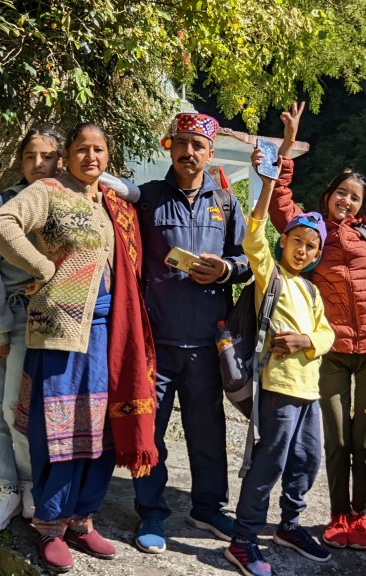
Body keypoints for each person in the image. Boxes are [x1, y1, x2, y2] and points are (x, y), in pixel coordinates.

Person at [0, 123, 158, 573]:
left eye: (99, 150)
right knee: (59, 432)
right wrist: (41, 265)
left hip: (110, 331)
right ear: (67, 156)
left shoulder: (114, 205)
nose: (91, 157)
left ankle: (82, 518)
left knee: (100, 431)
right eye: (82, 149)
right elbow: (0, 225)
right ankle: (49, 524)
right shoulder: (48, 191)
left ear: (108, 155)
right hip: (60, 328)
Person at [268, 100, 366, 549]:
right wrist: (286, 147)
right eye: (342, 193)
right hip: (332, 348)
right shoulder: (310, 232)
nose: (347, 201)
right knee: (337, 439)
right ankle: (339, 515)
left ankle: (361, 517)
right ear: (328, 195)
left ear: (362, 205)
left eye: (355, 197)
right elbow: (280, 203)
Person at [131, 112, 253, 554]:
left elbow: (247, 262)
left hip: (206, 343)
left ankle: (207, 506)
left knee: (207, 431)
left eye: (197, 145)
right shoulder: (146, 200)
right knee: (151, 433)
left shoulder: (227, 201)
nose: (188, 152)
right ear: (170, 146)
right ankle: (151, 513)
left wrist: (225, 269)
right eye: (181, 143)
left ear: (210, 152)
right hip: (156, 341)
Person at [223, 151, 337, 576]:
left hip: (310, 391)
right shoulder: (270, 275)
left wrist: (308, 339)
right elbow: (253, 235)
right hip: (277, 388)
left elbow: (329, 334)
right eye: (298, 241)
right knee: (267, 461)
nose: (304, 250)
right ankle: (243, 538)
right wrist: (268, 181)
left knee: (307, 461)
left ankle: (289, 525)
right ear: (284, 240)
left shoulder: (311, 292)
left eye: (312, 247)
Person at [0, 127, 65, 530]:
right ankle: (7, 486)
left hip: (32, 317)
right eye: (30, 157)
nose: (38, 164)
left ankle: (27, 485)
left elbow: (122, 186)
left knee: (17, 407)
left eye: (48, 156)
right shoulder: (3, 204)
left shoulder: (68, 202)